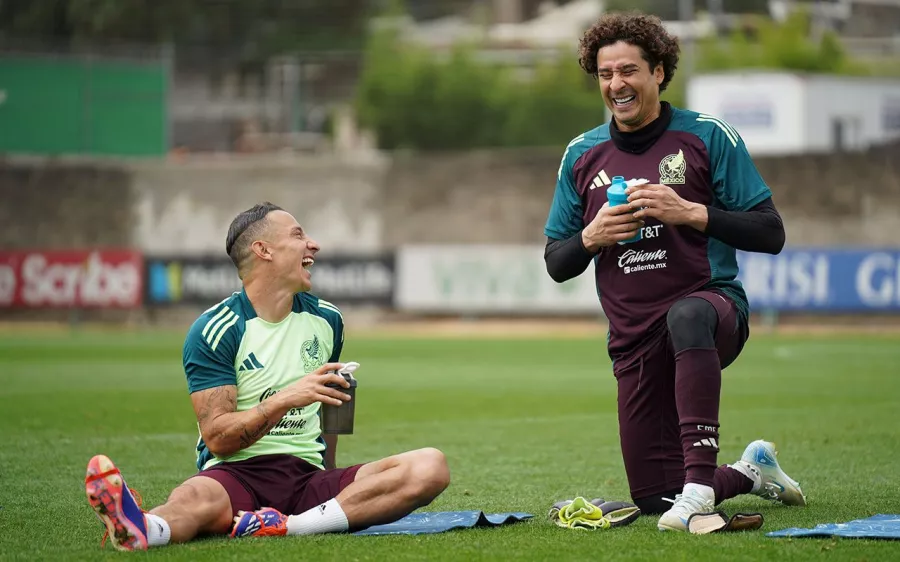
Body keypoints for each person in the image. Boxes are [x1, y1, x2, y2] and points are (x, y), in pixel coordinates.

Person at [542, 12, 806, 532]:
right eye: (605, 74)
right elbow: (556, 263)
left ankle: (698, 485)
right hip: (633, 341)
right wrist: (593, 235)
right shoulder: (581, 154)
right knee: (654, 497)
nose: (616, 84)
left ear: (659, 72)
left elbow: (771, 233)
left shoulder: (708, 136)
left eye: (629, 71)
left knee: (686, 314)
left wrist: (691, 212)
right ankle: (749, 472)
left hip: (711, 312)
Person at [84, 202, 450, 551]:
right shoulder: (215, 329)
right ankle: (143, 527)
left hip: (308, 478)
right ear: (264, 250)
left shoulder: (328, 320)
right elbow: (218, 440)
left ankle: (289, 526)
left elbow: (333, 399)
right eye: (297, 235)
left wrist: (333, 479)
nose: (313, 245)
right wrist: (289, 397)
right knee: (194, 498)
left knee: (430, 466)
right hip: (236, 477)